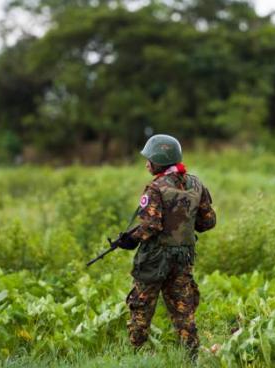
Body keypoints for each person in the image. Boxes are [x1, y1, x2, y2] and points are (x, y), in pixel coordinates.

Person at [115, 134, 216, 360]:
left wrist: (130, 240)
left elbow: (150, 226)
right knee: (183, 310)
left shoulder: (155, 188)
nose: (146, 163)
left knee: (141, 306)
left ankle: (134, 355)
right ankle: (192, 358)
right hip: (183, 257)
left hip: (154, 258)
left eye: (149, 159)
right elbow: (208, 222)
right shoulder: (196, 184)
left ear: (159, 161)